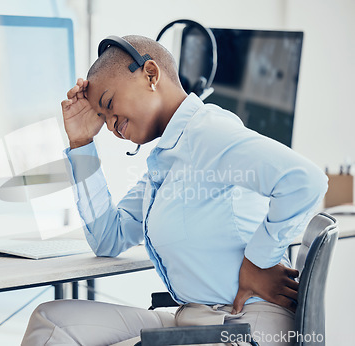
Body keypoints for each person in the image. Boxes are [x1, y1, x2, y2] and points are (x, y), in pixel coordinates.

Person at [21, 35, 328, 346]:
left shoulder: (208, 133)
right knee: (52, 320)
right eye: (102, 117)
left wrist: (258, 261)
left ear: (151, 75)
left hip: (245, 325)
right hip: (195, 318)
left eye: (110, 105)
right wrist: (82, 144)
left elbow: (305, 181)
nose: (111, 125)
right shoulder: (165, 163)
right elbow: (107, 238)